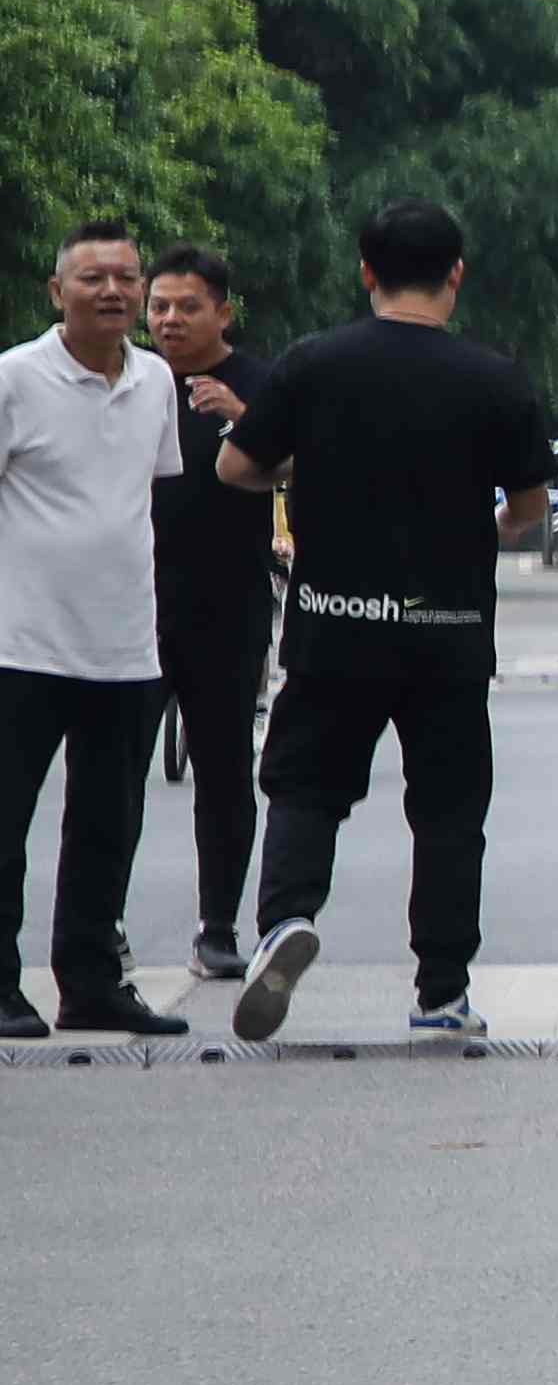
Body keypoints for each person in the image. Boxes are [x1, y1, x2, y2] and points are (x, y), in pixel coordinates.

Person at [214, 198, 557, 1043]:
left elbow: (232, 466)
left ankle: (286, 921)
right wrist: (483, 527)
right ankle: (442, 991)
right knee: (446, 812)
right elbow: (531, 509)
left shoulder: (313, 364)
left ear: (365, 271)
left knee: (305, 787)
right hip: (448, 629)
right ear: (457, 274)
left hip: (334, 623)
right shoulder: (495, 378)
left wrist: (306, 473)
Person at [0, 222, 186, 1038]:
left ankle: (90, 982)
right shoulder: (13, 378)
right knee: (5, 826)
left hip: (125, 648)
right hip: (21, 644)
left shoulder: (154, 383)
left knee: (108, 828)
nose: (112, 291)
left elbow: (143, 496)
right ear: (56, 292)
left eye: (126, 277)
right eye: (92, 278)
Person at [138, 244, 275, 985]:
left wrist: (243, 417)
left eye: (187, 306)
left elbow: (300, 462)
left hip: (228, 603)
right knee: (115, 770)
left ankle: (217, 926)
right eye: (158, 306)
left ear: (223, 311)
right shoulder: (126, 378)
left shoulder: (262, 383)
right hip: (129, 605)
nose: (169, 320)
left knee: (225, 770)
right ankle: (103, 926)